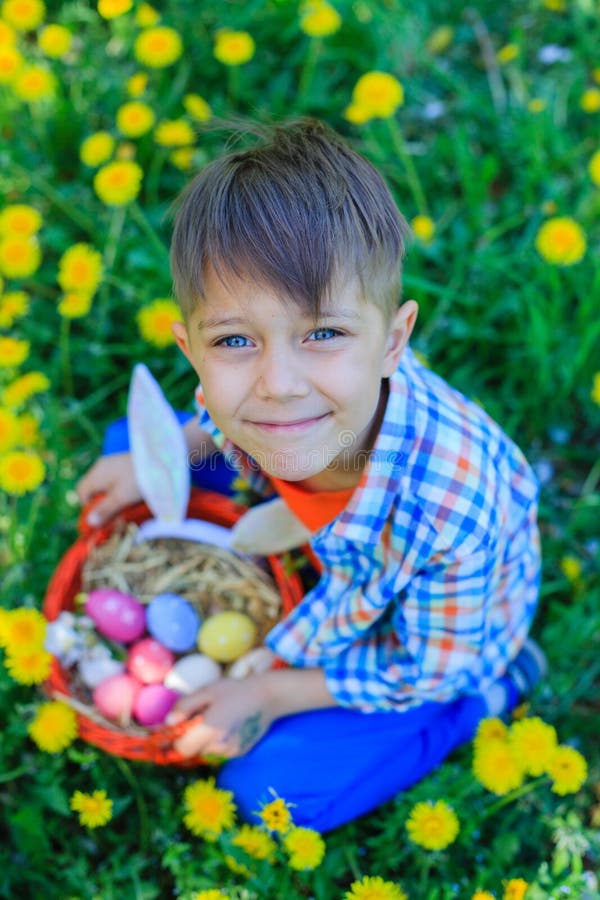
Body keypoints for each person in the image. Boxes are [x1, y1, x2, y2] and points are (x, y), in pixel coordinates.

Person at [76, 119, 545, 833]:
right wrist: (164, 452)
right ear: (191, 346)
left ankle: (487, 701)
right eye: (235, 341)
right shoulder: (281, 401)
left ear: (392, 342)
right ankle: (272, 512)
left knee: (271, 793)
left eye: (322, 334)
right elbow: (216, 419)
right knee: (137, 445)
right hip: (331, 506)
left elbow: (425, 666)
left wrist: (274, 692)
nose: (279, 384)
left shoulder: (450, 516)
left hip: (434, 646)